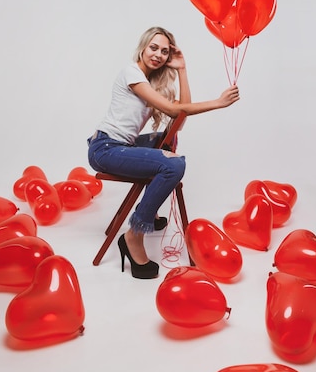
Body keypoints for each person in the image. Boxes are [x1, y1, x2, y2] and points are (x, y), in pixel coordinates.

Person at [87, 26, 240, 279]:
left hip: (121, 145)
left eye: (164, 51)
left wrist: (181, 69)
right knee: (174, 165)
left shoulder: (151, 83)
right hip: (105, 148)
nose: (158, 54)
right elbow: (173, 110)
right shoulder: (131, 72)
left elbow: (180, 115)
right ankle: (134, 234)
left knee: (164, 140)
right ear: (143, 47)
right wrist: (218, 102)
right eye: (154, 48)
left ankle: (150, 210)